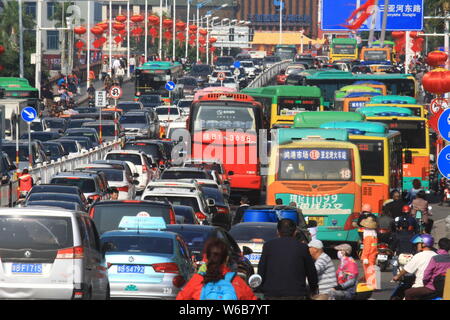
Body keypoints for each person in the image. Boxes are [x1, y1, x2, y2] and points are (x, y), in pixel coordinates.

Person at [176, 238, 257, 300]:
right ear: (226, 259)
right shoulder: (236, 282)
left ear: (206, 258)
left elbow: (181, 298)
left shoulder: (198, 280)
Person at [258, 219, 318, 300]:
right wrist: (313, 288)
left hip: (272, 293)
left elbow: (261, 268)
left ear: (278, 231)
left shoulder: (268, 246)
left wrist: (261, 287)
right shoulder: (302, 247)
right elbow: (311, 271)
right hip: (296, 293)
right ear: (295, 232)